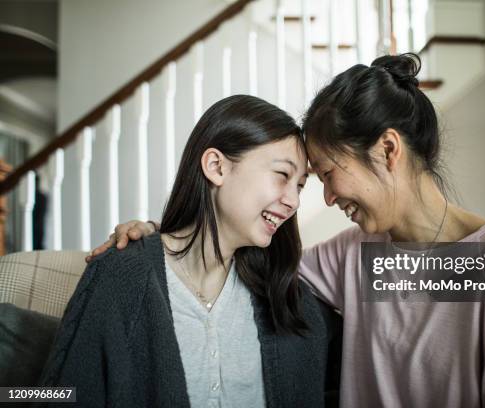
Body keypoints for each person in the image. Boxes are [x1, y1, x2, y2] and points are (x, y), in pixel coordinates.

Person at [91, 54, 485, 407]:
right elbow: (230, 253)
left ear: (388, 150)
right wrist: (160, 235)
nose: (327, 199)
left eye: (327, 174)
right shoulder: (355, 257)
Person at [39, 95, 341, 408]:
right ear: (216, 167)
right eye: (282, 175)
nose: (293, 201)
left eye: (301, 185)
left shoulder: (288, 293)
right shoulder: (122, 274)